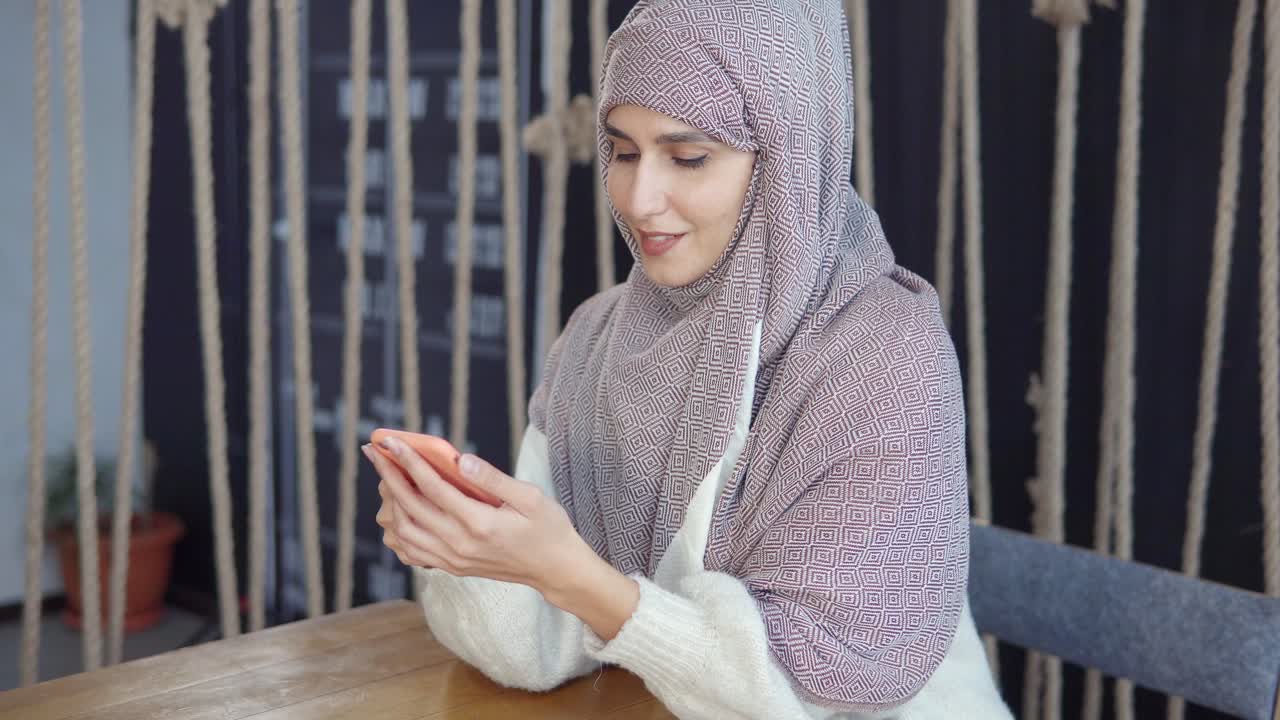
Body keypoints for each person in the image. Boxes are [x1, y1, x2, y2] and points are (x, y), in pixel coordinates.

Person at [361, 0, 1012, 717]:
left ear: (785, 156)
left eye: (689, 156)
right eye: (625, 151)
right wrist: (464, 549)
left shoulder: (885, 355)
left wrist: (575, 578)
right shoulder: (594, 340)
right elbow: (537, 650)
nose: (641, 199)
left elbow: (808, 694)